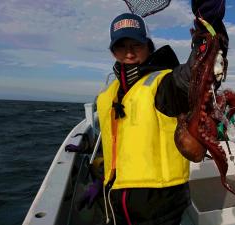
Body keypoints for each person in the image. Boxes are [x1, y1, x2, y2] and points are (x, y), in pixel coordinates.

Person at [94, 1, 228, 224]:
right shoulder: (108, 94)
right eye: (121, 45)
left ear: (148, 46)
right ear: (112, 51)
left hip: (161, 205)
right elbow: (113, 144)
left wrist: (208, 29)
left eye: (136, 45)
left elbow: (192, 76)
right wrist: (102, 181)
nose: (129, 52)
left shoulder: (163, 83)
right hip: (115, 203)